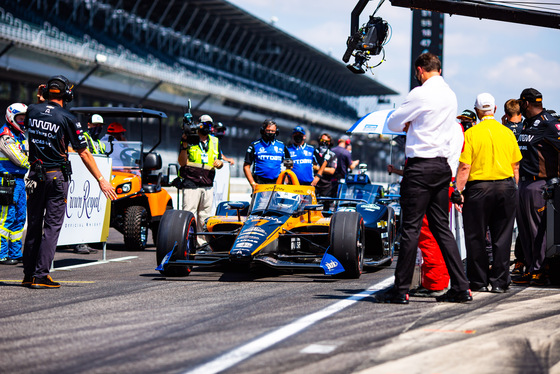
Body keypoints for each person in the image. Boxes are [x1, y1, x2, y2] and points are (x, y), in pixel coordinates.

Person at [383, 52, 471, 304]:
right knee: (442, 228)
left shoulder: (420, 92)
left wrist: (410, 123)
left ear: (419, 70)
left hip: (420, 165)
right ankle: (461, 287)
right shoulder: (450, 95)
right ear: (439, 70)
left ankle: (400, 290)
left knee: (410, 228)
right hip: (442, 167)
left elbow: (393, 122)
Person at [22, 75, 117, 289]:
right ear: (68, 94)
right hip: (56, 176)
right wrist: (101, 180)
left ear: (46, 92)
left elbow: (39, 114)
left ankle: (28, 274)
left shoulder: (32, 110)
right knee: (52, 227)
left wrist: (40, 99)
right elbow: (84, 153)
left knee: (35, 225)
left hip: (34, 176)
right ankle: (41, 276)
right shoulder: (68, 118)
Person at [453, 93, 522, 293]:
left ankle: (479, 282)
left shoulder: (471, 134)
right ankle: (500, 283)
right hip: (505, 186)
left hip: (478, 189)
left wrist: (458, 192)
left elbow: (465, 167)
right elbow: (515, 166)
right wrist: (513, 189)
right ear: (496, 109)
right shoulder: (507, 133)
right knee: (502, 237)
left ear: (476, 111)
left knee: (475, 236)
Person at [513, 88, 560, 286]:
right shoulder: (527, 123)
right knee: (524, 230)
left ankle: (540, 269)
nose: (519, 107)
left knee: (536, 231)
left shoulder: (548, 122)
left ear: (526, 103)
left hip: (539, 183)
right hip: (523, 182)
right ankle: (531, 267)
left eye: (521, 104)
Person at [178, 114, 223, 247]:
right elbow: (181, 162)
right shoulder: (189, 139)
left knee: (205, 216)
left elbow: (219, 160)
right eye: (205, 124)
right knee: (189, 214)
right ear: (198, 124)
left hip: (207, 184)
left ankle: (202, 244)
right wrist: (185, 144)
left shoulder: (215, 141)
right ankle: (187, 242)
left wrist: (220, 163)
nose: (207, 127)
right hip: (191, 183)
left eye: (210, 124)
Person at [0, 103, 29, 265]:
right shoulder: (5, 135)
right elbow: (20, 159)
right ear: (12, 117)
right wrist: (34, 162)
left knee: (19, 217)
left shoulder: (20, 136)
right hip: (5, 180)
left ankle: (15, 253)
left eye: (25, 118)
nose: (23, 121)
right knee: (5, 219)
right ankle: (1, 253)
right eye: (20, 118)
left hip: (18, 181)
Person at [501, 98, 525, 275]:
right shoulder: (529, 128)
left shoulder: (503, 131)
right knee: (526, 226)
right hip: (527, 179)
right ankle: (524, 261)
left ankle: (506, 262)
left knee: (505, 226)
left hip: (507, 181)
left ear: (506, 114)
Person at [243, 119, 291, 189]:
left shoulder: (282, 146)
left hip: (277, 182)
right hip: (260, 181)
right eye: (268, 130)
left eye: (272, 131)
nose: (270, 133)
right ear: (263, 131)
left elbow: (289, 165)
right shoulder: (254, 145)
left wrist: (286, 177)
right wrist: (252, 183)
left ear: (276, 132)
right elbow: (246, 166)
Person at [314, 133, 337, 207]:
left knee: (325, 208)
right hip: (314, 184)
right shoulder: (313, 152)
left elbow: (332, 171)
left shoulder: (332, 154)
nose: (324, 143)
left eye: (326, 142)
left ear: (330, 143)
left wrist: (317, 168)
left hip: (326, 186)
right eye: (322, 140)